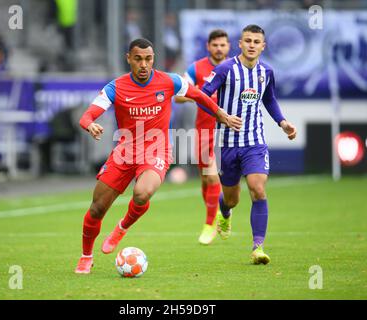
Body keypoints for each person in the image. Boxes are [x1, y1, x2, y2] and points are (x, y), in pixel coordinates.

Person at [74, 38, 242, 274]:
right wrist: (90, 124)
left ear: (153, 59)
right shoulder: (116, 87)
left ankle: (121, 228)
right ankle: (85, 256)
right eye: (138, 59)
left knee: (142, 194)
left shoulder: (170, 81)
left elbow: (199, 95)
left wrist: (220, 114)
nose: (144, 64)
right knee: (97, 209)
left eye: (148, 59)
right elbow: (87, 115)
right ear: (129, 59)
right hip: (125, 151)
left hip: (157, 150)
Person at [202, 25, 297, 265]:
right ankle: (225, 211)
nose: (252, 45)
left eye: (257, 41)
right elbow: (202, 96)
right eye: (248, 40)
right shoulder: (225, 69)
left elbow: (270, 99)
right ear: (240, 44)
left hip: (255, 143)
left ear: (263, 46)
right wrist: (221, 115)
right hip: (228, 144)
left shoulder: (266, 72)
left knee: (257, 188)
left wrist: (282, 122)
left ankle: (258, 247)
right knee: (232, 198)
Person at [175, 29, 231, 245]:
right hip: (204, 130)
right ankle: (220, 212)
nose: (219, 48)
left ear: (228, 47)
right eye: (215, 45)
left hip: (226, 130)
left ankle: (210, 224)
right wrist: (197, 94)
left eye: (223, 45)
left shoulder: (235, 68)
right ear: (208, 46)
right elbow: (179, 96)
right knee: (206, 179)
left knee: (214, 176)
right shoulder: (196, 68)